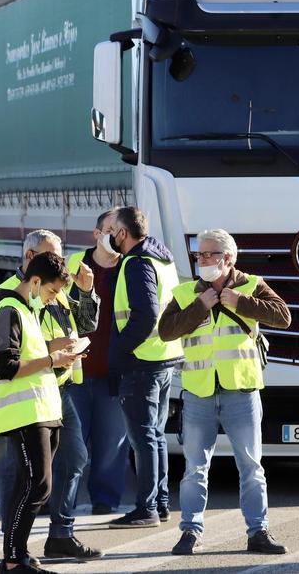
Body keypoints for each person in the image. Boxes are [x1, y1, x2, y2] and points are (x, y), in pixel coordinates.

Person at [160, 229, 291, 556]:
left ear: (228, 258)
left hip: (241, 391)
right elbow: (165, 330)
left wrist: (242, 302)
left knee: (251, 466)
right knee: (194, 469)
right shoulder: (188, 292)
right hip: (199, 392)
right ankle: (190, 532)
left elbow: (283, 317)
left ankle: (258, 532)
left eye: (209, 254)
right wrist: (200, 308)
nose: (202, 260)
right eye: (199, 255)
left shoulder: (251, 285)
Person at [0, 230, 102, 561]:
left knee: (75, 457)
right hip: (28, 390)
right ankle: (12, 543)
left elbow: (85, 325)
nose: (60, 264)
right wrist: (53, 352)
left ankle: (60, 534)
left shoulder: (55, 286)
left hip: (56, 388)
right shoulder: (7, 295)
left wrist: (86, 292)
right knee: (22, 472)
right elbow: (8, 351)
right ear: (30, 261)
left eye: (61, 258)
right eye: (52, 257)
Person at [106, 206, 183, 529]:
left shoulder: (137, 263)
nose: (109, 236)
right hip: (163, 356)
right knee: (155, 435)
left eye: (112, 230)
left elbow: (146, 314)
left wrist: (119, 349)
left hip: (143, 362)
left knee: (143, 438)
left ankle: (147, 508)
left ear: (123, 234)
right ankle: (160, 503)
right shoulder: (162, 258)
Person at [64, 208, 130, 515]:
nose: (115, 236)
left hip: (114, 373)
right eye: (109, 230)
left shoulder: (131, 267)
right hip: (75, 371)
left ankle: (105, 501)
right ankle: (62, 500)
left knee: (111, 444)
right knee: (71, 445)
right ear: (96, 234)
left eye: (119, 231)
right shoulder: (75, 264)